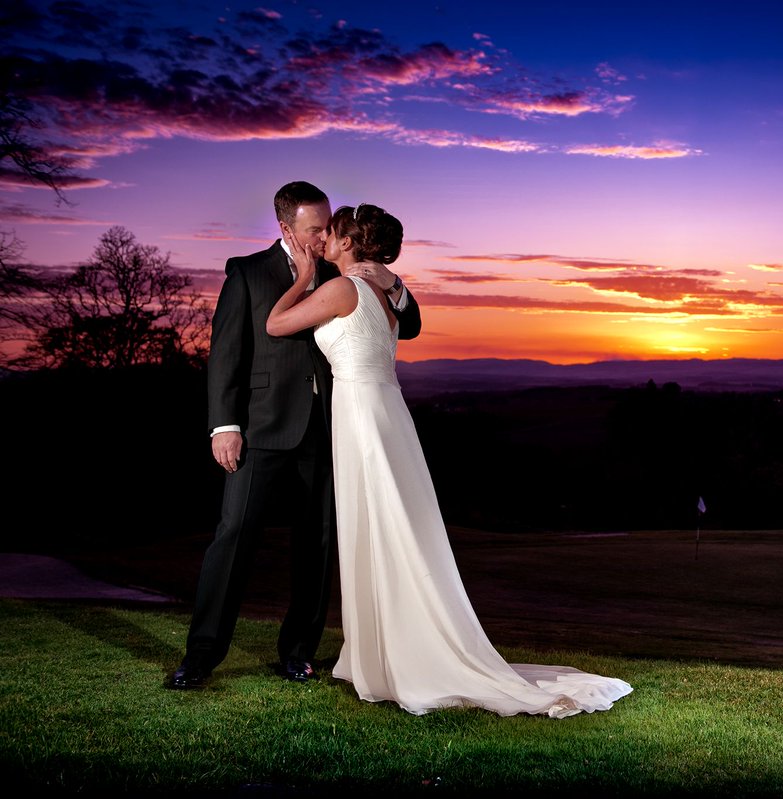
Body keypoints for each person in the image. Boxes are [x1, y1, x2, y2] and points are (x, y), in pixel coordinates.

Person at [267, 203, 632, 718]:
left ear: (349, 242)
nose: (324, 239)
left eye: (332, 233)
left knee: (378, 523)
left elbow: (277, 323)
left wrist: (304, 274)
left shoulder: (342, 287)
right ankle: (381, 650)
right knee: (386, 524)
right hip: (383, 408)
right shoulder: (384, 293)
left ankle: (397, 655)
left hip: (362, 414)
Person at [166, 182, 421, 690]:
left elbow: (408, 324)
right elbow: (226, 354)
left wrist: (392, 280)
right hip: (260, 426)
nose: (325, 235)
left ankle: (298, 652)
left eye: (329, 226)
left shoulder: (341, 270)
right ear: (285, 228)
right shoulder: (247, 271)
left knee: (318, 543)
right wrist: (225, 425)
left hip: (330, 427)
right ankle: (201, 656)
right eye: (314, 229)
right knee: (234, 537)